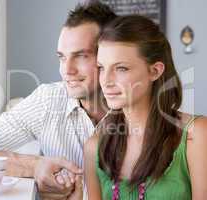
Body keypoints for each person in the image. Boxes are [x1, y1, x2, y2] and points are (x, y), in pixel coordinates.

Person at [0, 2, 116, 199]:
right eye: (62, 57)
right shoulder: (49, 100)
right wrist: (34, 166)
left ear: (110, 55)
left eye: (81, 56)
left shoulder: (138, 109)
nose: (67, 70)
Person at [83, 15, 207, 199]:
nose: (106, 81)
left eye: (121, 68)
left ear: (155, 71)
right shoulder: (94, 147)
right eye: (101, 67)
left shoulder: (196, 135)